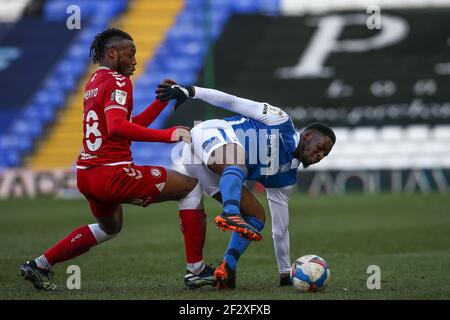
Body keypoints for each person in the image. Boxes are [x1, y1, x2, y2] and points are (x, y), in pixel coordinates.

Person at [19, 28, 215, 290]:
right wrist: (169, 134)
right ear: (111, 53)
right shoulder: (119, 81)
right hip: (112, 173)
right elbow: (118, 128)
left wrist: (160, 103)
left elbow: (127, 124)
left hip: (87, 174)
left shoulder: (93, 82)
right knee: (190, 188)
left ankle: (40, 264)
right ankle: (196, 271)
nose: (134, 60)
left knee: (110, 228)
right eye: (129, 54)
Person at [156, 83, 335, 289]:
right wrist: (191, 91)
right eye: (320, 147)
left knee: (256, 216)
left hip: (208, 169)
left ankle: (227, 267)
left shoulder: (285, 178)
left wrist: (285, 273)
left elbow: (281, 228)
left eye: (325, 154)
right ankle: (230, 212)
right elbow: (233, 101)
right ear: (307, 136)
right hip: (209, 134)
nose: (320, 155)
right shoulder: (280, 120)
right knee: (237, 162)